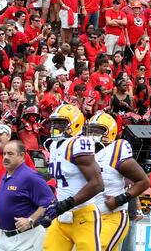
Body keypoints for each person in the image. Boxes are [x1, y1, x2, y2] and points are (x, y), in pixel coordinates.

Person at [42, 104, 105, 251]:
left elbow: (97, 184)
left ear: (75, 123)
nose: (55, 126)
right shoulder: (53, 145)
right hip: (61, 216)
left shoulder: (78, 144)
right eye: (54, 122)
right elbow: (62, 182)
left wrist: (64, 204)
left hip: (83, 216)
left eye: (61, 123)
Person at [85, 113, 151, 251]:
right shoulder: (83, 150)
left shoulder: (115, 150)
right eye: (90, 130)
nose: (92, 134)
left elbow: (143, 181)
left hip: (110, 215)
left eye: (98, 130)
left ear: (110, 131)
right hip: (88, 216)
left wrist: (120, 199)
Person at [0, 140, 54, 251]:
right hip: (4, 238)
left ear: (22, 156)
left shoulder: (31, 177)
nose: (5, 157)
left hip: (27, 238)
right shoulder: (5, 177)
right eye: (4, 153)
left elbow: (49, 202)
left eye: (10, 154)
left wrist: (30, 220)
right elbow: (5, 204)